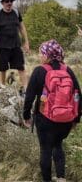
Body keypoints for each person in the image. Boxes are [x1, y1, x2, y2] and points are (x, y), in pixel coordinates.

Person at [23, 40, 81, 182]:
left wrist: (26, 116)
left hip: (44, 119)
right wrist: (76, 119)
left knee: (45, 150)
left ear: (47, 55)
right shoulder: (68, 70)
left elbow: (29, 97)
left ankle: (47, 180)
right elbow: (78, 94)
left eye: (41, 53)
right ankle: (61, 178)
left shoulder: (39, 71)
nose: (39, 56)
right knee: (58, 146)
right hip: (66, 120)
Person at [0, 0, 30, 91]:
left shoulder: (16, 13)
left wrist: (26, 42)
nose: (9, 3)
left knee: (21, 68)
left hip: (16, 46)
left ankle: (26, 90)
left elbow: (22, 27)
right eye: (6, 1)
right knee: (3, 69)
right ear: (2, 3)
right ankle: (3, 89)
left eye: (11, 1)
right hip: (3, 47)